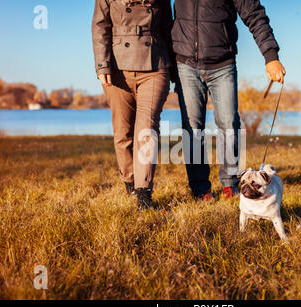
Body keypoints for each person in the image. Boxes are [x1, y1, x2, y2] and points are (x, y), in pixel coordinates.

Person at [172, 0, 286, 200]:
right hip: (185, 63)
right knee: (192, 127)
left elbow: (254, 14)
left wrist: (271, 55)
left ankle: (230, 184)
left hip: (222, 64)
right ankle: (200, 189)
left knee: (229, 124)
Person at [92, 0, 176, 210]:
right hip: (117, 69)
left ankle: (144, 192)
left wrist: (175, 70)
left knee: (146, 129)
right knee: (123, 132)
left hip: (155, 66)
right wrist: (102, 65)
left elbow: (168, 29)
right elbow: (100, 26)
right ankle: (130, 180)